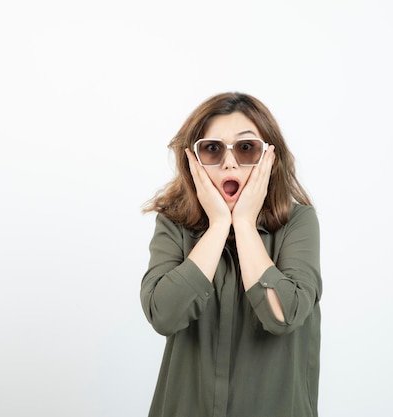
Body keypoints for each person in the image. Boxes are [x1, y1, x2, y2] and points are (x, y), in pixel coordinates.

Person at [140, 92, 322, 417]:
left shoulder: (298, 223)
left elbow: (284, 315)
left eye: (245, 147)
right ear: (194, 161)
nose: (229, 162)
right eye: (212, 149)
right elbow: (163, 314)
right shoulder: (173, 224)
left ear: (269, 157)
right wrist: (219, 225)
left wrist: (245, 225)